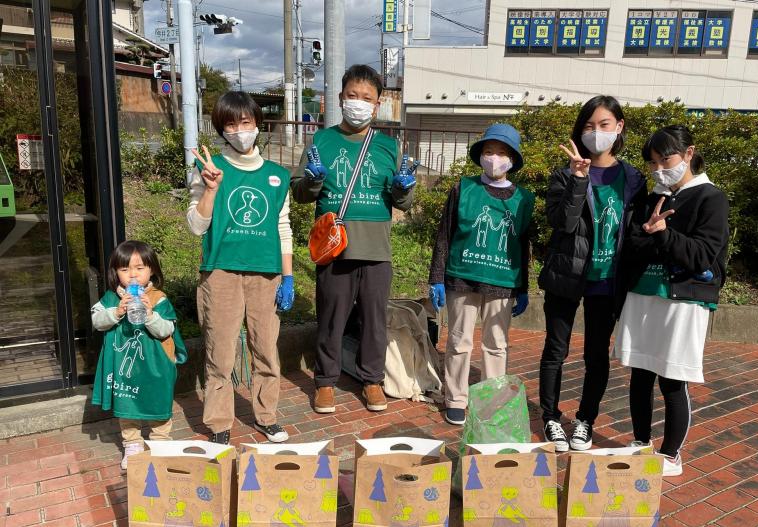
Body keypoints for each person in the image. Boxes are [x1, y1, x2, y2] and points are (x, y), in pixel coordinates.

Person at [291, 64, 416, 414]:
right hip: (335, 246)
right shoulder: (322, 140)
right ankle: (326, 381)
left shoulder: (389, 146)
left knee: (375, 319)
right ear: (340, 97)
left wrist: (403, 190)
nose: (358, 103)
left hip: (377, 247)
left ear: (378, 105)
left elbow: (403, 202)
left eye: (367, 98)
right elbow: (300, 193)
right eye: (352, 96)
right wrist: (313, 181)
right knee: (331, 316)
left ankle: (372, 380)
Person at [615, 125, 729, 476]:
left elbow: (703, 255)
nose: (660, 168)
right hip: (644, 295)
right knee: (640, 373)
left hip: (682, 301)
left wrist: (663, 235)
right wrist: (655, 236)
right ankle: (640, 442)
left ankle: (670, 454)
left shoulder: (711, 198)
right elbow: (634, 244)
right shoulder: (655, 197)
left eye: (667, 159)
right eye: (653, 162)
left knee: (672, 378)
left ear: (689, 154)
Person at [537, 95, 648, 452]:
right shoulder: (564, 173)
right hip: (566, 273)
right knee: (556, 349)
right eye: (588, 126)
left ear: (619, 128)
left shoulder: (632, 178)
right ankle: (551, 418)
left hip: (607, 279)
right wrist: (578, 180)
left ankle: (585, 420)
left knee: (596, 355)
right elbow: (562, 223)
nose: (596, 133)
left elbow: (635, 232)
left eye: (603, 125)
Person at [186, 91, 295, 445]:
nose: (239, 130)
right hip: (221, 271)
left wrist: (288, 275)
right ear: (221, 129)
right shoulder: (210, 169)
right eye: (230, 124)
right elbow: (196, 226)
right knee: (221, 349)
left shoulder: (278, 176)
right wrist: (211, 189)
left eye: (245, 122)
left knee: (266, 348)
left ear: (257, 124)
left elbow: (283, 228)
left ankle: (267, 416)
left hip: (266, 273)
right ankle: (219, 423)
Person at [427, 124, 533, 425]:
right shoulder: (463, 188)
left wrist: (523, 285)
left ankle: (491, 400)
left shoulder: (523, 199)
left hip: (502, 280)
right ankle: (456, 398)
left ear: (512, 159)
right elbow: (445, 235)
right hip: (462, 277)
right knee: (459, 341)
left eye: (502, 152)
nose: (494, 158)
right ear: (480, 155)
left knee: (496, 344)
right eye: (489, 151)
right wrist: (436, 277)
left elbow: (523, 244)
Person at [91, 240, 186, 470]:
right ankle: (132, 445)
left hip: (155, 366)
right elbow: (97, 321)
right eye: (124, 269)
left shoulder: (159, 298)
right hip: (125, 367)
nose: (132, 275)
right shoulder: (111, 298)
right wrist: (117, 311)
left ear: (151, 269)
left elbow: (166, 330)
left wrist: (150, 314)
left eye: (139, 268)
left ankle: (161, 444)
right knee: (127, 403)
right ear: (116, 272)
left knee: (158, 402)